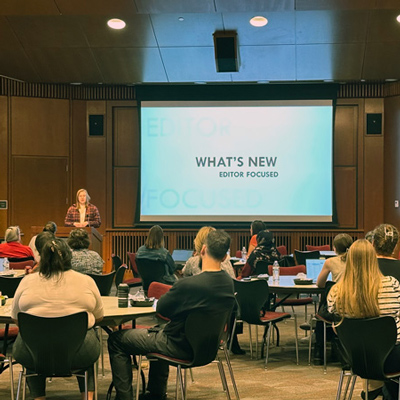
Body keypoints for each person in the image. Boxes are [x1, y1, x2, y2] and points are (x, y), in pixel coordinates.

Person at [108, 229, 235, 400]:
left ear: (202, 250)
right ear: (225, 257)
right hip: (207, 348)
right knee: (159, 332)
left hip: (178, 345)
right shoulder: (228, 284)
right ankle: (156, 394)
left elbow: (162, 308)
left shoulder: (189, 285)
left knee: (116, 340)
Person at [11, 238, 103, 400]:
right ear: (69, 257)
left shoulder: (27, 281)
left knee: (33, 341)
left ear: (41, 258)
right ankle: (87, 397)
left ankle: (39, 397)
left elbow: (16, 318)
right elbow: (99, 316)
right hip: (80, 352)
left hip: (31, 352)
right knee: (90, 335)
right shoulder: (86, 281)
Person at [327, 239, 400, 400]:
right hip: (391, 359)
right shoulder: (392, 285)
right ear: (373, 259)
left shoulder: (335, 292)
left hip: (354, 358)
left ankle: (377, 389)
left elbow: (336, 327)